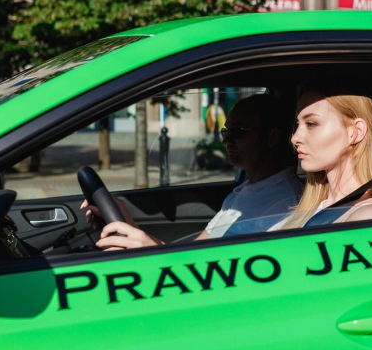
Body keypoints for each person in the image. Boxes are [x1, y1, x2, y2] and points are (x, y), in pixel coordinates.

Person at [87, 94, 303, 250]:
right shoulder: (243, 192)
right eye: (226, 131)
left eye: (237, 132)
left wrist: (147, 248)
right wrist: (128, 223)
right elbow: (193, 253)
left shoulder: (287, 205)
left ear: (272, 138)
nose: (226, 141)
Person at [277, 90, 372, 229]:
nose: (295, 138)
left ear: (356, 132)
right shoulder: (315, 206)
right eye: (297, 124)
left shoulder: (368, 217)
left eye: (311, 124)